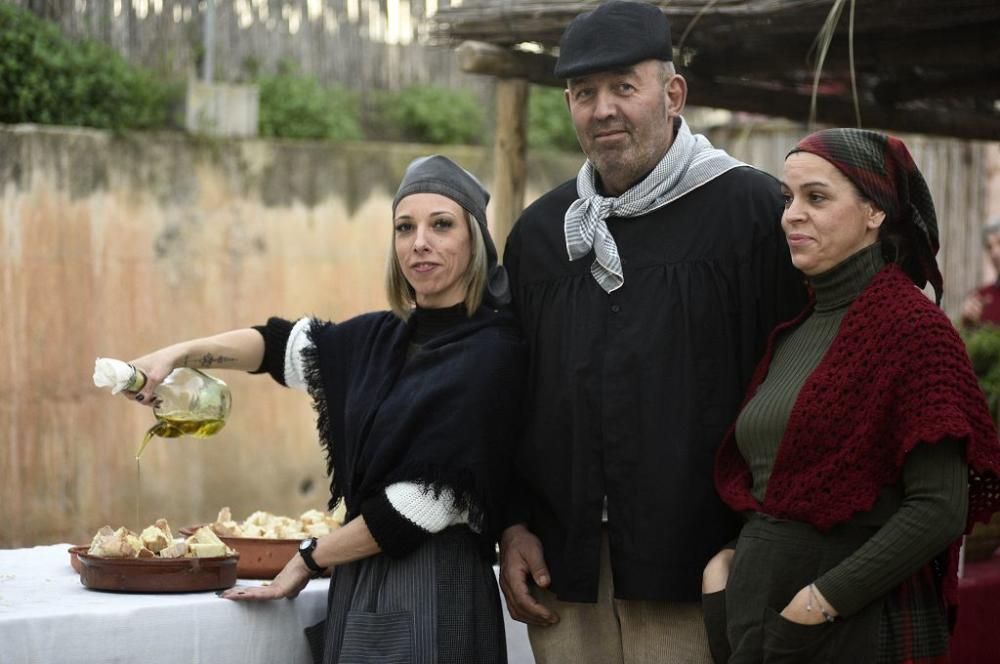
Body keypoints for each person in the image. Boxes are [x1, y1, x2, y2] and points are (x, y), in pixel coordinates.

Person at [119, 155, 526, 664]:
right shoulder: (380, 338)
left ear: (475, 240)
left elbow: (421, 505)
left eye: (440, 224)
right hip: (359, 579)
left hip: (436, 590)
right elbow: (277, 345)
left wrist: (306, 560)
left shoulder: (493, 351)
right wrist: (177, 354)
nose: (419, 242)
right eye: (404, 227)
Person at [498, 2, 807, 662]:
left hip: (703, 564)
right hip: (567, 567)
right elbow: (510, 393)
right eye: (585, 93)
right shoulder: (542, 236)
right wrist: (512, 521)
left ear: (672, 94)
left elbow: (798, 383)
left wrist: (759, 535)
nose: (603, 108)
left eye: (622, 87)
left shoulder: (750, 214)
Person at [708, 128, 1000, 663]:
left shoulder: (913, 329)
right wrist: (725, 565)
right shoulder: (793, 332)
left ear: (874, 213)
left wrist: (819, 603)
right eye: (788, 199)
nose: (792, 215)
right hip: (761, 616)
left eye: (815, 198)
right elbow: (780, 482)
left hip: (854, 626)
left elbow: (939, 507)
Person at [959, 218, 1000, 327]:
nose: (994, 252)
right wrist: (966, 325)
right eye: (989, 247)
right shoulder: (980, 298)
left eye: (999, 243)